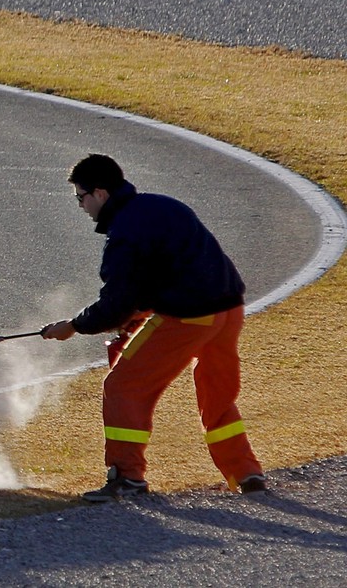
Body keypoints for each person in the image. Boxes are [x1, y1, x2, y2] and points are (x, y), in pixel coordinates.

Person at [40, 153, 266, 503]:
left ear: (100, 193)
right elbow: (173, 270)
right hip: (229, 310)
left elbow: (114, 306)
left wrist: (72, 326)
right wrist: (141, 311)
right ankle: (246, 473)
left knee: (123, 386)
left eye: (80, 198)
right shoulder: (161, 207)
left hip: (190, 317)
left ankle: (127, 477)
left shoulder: (124, 237)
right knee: (216, 395)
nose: (81, 206)